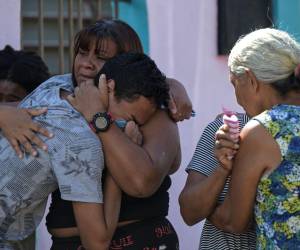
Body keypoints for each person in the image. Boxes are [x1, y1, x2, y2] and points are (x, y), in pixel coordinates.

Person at [0, 19, 189, 249]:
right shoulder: (58, 90)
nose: (86, 64)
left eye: (100, 57)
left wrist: (172, 86)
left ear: (122, 64)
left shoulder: (151, 105)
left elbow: (141, 182)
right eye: (82, 52)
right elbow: (25, 111)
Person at [205, 28, 300, 249]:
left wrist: (201, 208)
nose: (236, 98)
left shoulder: (263, 130)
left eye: (234, 84)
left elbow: (233, 220)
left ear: (250, 78)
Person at [179, 112, 256, 249]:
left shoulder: (283, 132)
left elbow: (231, 221)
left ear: (255, 88)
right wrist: (222, 169)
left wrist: (211, 210)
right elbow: (189, 212)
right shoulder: (225, 129)